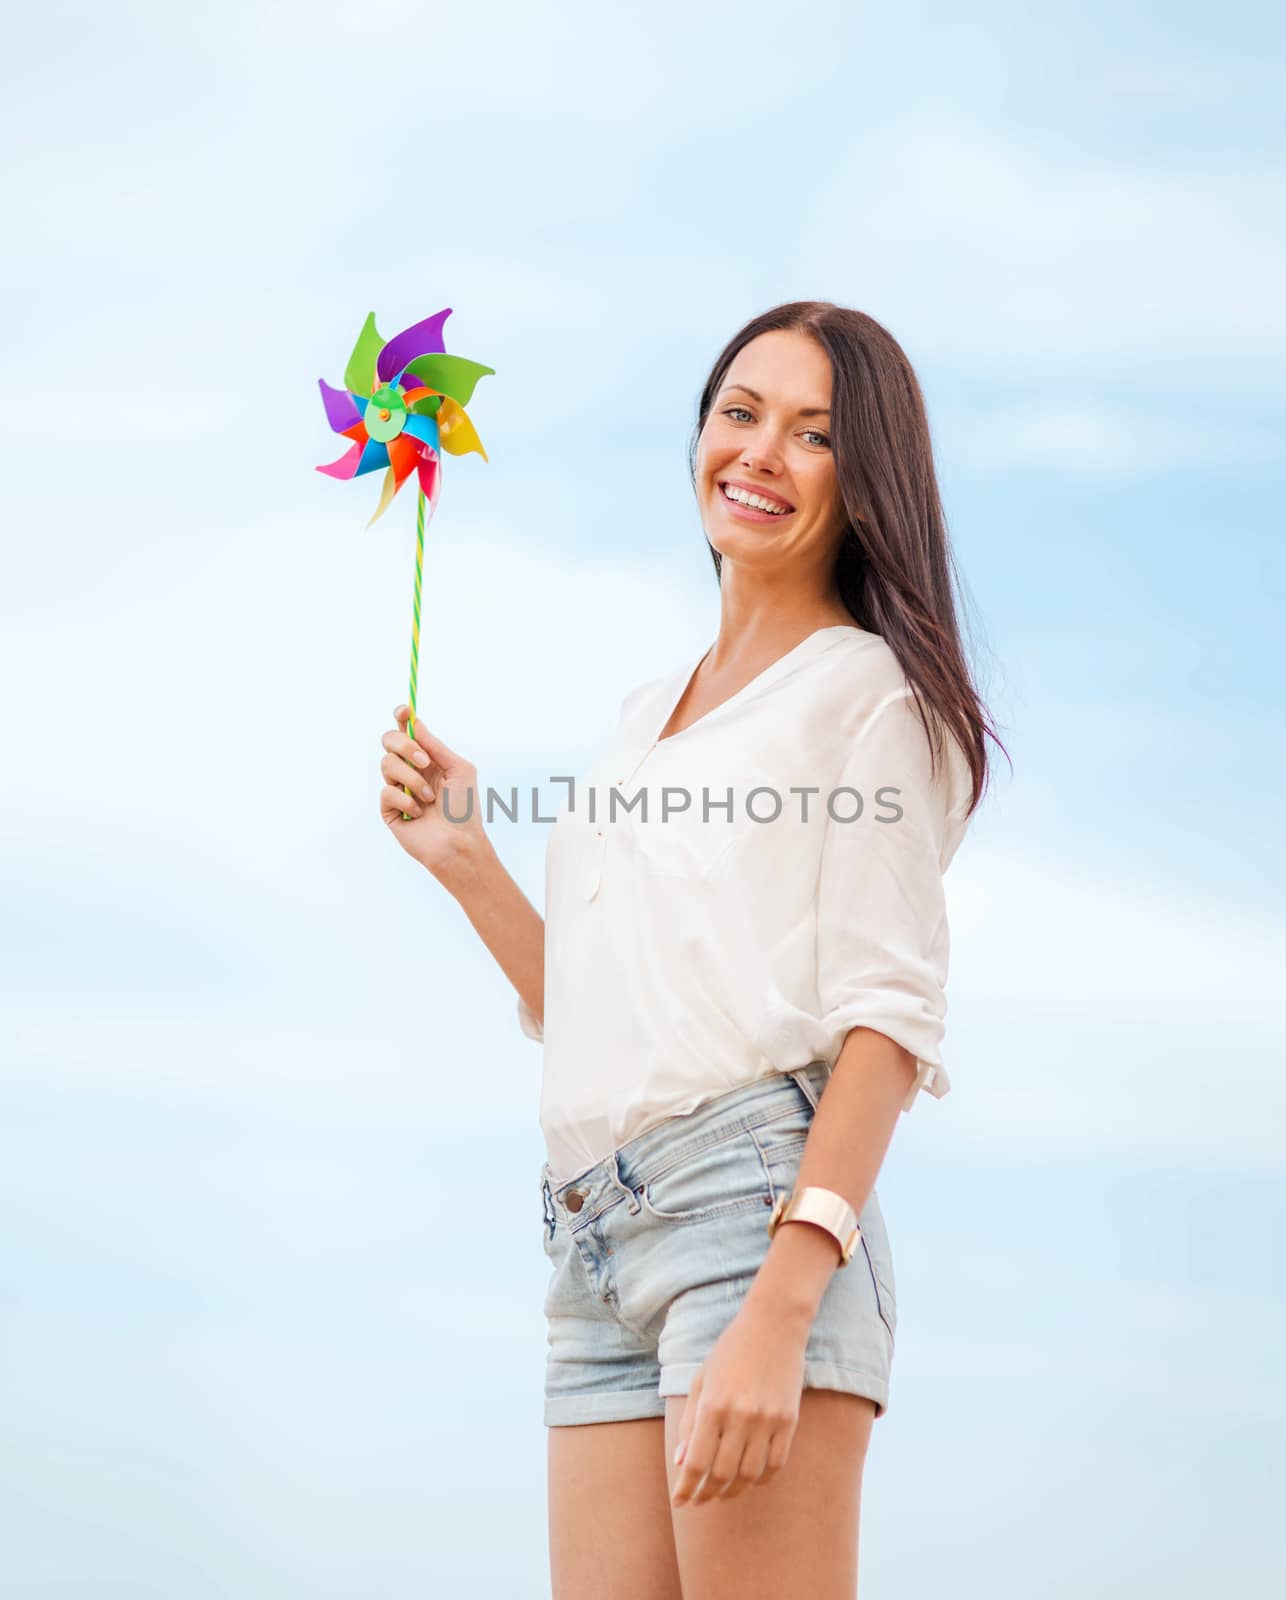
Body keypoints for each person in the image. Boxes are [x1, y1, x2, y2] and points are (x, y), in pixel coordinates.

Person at [376, 300, 1005, 1599]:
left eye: (814, 433)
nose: (761, 453)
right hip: (592, 1233)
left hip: (752, 1219)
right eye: (740, 412)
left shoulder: (866, 700)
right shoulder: (641, 716)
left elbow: (886, 1026)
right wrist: (465, 860)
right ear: (700, 433)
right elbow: (612, 1011)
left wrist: (781, 1308)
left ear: (865, 476)